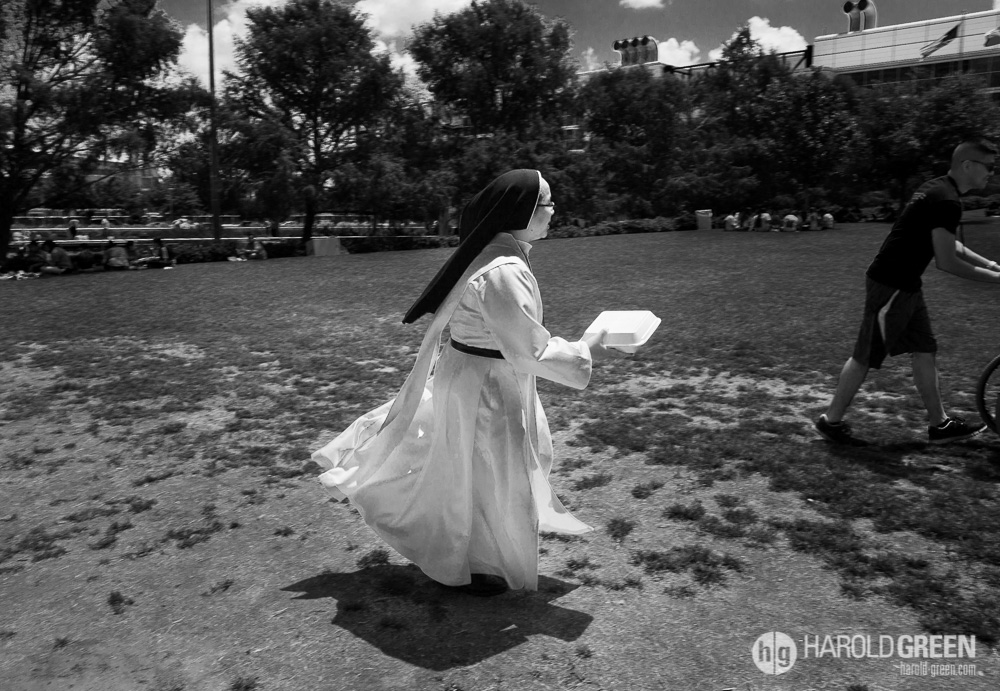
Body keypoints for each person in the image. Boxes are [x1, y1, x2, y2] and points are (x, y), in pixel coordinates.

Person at [311, 170, 624, 596]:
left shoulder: (490, 253)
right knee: (486, 471)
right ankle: (471, 562)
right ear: (523, 211)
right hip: (486, 385)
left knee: (471, 468)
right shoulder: (504, 269)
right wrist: (590, 348)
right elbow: (528, 351)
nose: (553, 211)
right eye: (547, 203)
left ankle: (473, 554)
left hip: (471, 374)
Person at [816, 139, 1000, 446]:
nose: (991, 174)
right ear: (968, 165)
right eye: (989, 167)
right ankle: (830, 421)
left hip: (907, 285)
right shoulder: (946, 200)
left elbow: (947, 243)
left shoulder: (937, 188)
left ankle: (939, 424)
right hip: (892, 285)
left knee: (925, 349)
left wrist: (991, 264)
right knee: (866, 355)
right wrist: (997, 280)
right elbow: (947, 262)